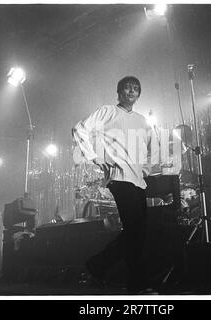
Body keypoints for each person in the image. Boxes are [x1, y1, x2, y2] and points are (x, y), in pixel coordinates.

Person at [72, 76, 158, 293]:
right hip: (119, 178)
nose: (131, 91)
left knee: (138, 232)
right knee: (135, 231)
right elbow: (80, 128)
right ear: (119, 92)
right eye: (127, 88)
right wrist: (93, 157)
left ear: (139, 94)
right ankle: (135, 283)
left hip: (138, 181)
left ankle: (98, 266)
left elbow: (153, 148)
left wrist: (145, 169)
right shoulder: (107, 111)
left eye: (136, 89)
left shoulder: (141, 120)